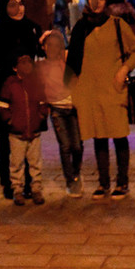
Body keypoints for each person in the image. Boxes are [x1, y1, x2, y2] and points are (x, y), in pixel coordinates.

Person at [68, 0, 135, 199]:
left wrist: (124, 69)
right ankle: (103, 183)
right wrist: (70, 92)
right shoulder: (80, 28)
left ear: (106, 1)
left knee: (119, 135)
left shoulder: (117, 25)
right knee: (98, 137)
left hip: (113, 89)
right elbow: (72, 63)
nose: (96, 2)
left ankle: (122, 183)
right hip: (88, 93)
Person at [0, 0, 40, 200]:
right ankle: (9, 182)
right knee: (6, 140)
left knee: (29, 136)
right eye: (12, 4)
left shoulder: (32, 28)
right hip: (5, 91)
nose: (18, 8)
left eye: (20, 3)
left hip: (28, 91)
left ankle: (28, 182)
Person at [36, 29, 83, 197]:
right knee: (65, 146)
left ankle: (76, 172)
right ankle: (70, 180)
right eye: (50, 46)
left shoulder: (67, 60)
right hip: (57, 109)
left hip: (73, 108)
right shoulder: (42, 66)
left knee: (77, 146)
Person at [0, 52, 48, 205]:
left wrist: (41, 116)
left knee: (35, 163)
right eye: (22, 62)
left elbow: (43, 103)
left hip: (34, 131)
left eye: (28, 62)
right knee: (16, 164)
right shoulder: (10, 84)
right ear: (15, 67)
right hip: (16, 133)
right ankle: (17, 190)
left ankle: (36, 189)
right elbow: (3, 105)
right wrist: (10, 120)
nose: (26, 65)